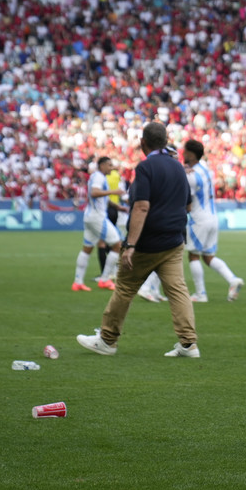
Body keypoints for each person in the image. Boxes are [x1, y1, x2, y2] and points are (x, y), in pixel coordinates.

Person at [76, 122, 199, 358]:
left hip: (148, 242)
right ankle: (188, 344)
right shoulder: (178, 166)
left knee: (124, 288)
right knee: (178, 290)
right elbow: (188, 205)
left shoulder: (145, 167)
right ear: (165, 141)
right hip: (174, 240)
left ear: (143, 143)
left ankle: (107, 340)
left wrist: (131, 244)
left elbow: (141, 207)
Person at [181, 139, 245, 303]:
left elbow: (187, 200)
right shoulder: (207, 170)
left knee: (193, 256)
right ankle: (233, 280)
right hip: (212, 217)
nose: (183, 154)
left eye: (185, 151)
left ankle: (201, 294)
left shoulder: (191, 176)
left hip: (198, 219)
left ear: (191, 154)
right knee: (208, 256)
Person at [72, 156, 124, 292]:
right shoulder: (99, 177)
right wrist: (114, 191)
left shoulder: (96, 177)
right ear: (102, 166)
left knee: (87, 248)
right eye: (109, 165)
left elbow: (103, 198)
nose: (111, 167)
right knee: (117, 245)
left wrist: (118, 207)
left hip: (90, 216)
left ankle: (78, 282)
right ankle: (105, 279)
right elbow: (95, 193)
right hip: (97, 217)